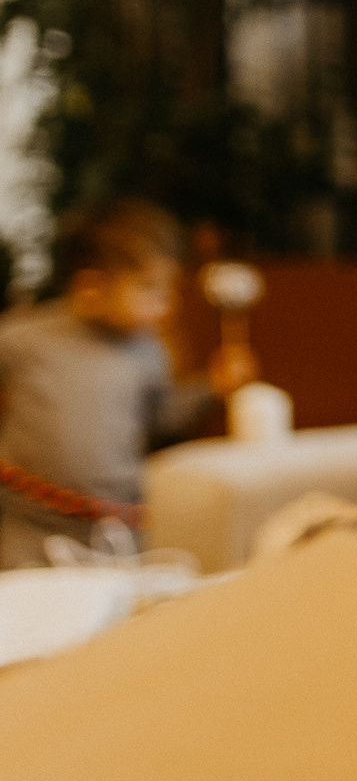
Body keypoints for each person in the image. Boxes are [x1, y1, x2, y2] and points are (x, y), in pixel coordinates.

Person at [0, 201, 257, 566]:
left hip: (116, 527)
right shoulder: (23, 339)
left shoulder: (149, 353)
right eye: (149, 289)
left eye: (168, 289)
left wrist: (212, 387)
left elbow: (163, 417)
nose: (165, 305)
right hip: (30, 525)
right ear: (91, 288)